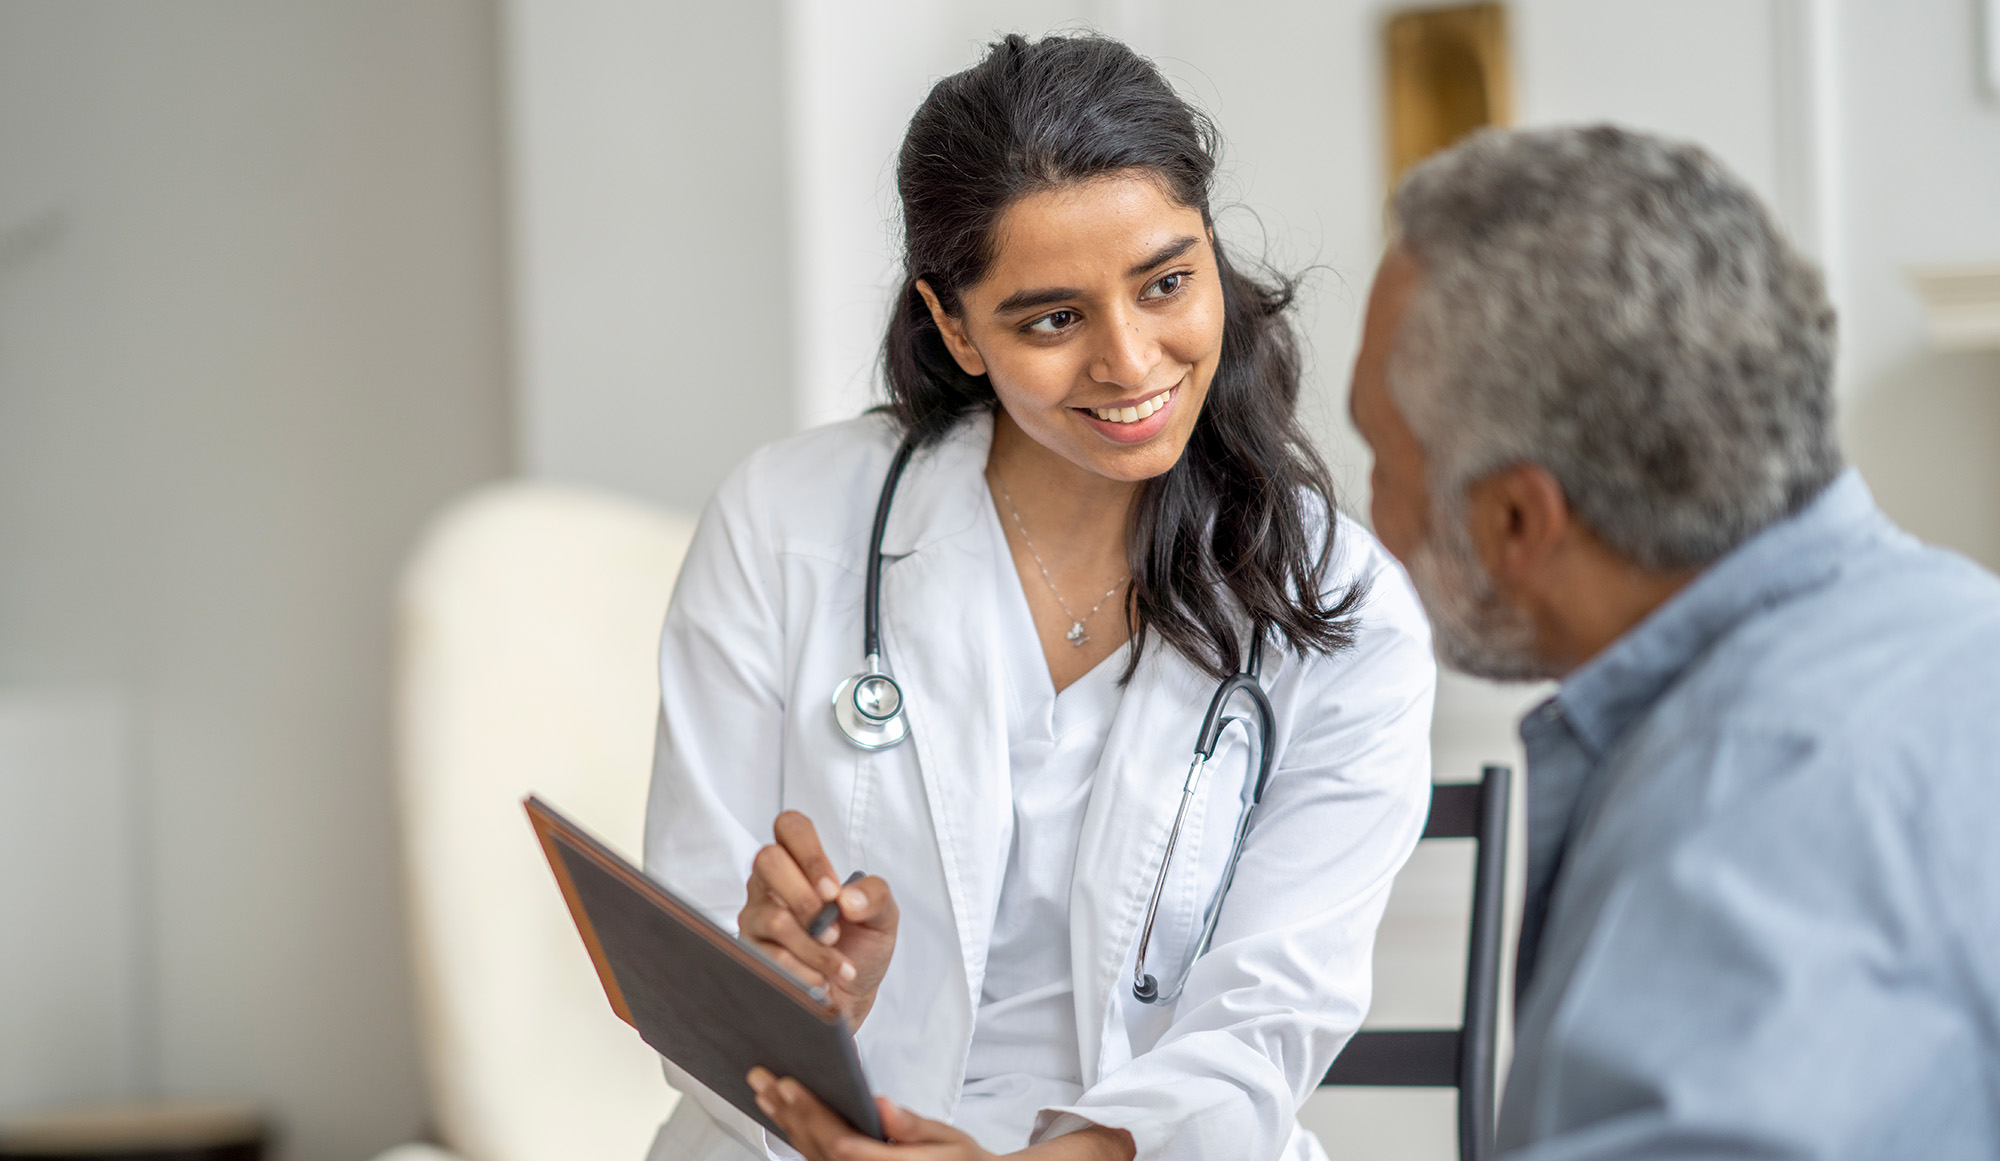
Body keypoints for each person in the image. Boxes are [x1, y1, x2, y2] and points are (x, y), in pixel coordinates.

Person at [643, 33, 1436, 1161]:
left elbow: (1264, 1022)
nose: (1129, 362)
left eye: (1166, 282)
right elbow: (689, 956)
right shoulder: (785, 523)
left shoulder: (1345, 609)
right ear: (954, 325)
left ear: (1210, 252)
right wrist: (796, 995)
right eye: (1051, 319)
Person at [1348, 123, 2000, 1158]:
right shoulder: (1962, 631)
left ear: (1515, 521)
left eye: (1379, 458)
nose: (1366, 522)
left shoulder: (1735, 821)